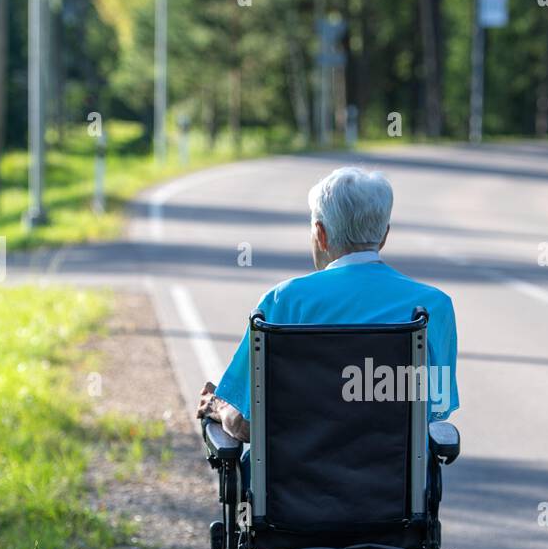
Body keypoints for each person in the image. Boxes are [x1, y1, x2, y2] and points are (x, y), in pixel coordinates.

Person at [195, 166, 458, 440]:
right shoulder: (433, 307)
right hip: (396, 480)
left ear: (320, 234)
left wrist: (219, 405)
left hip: (295, 480)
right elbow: (433, 407)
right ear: (384, 236)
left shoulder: (284, 302)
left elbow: (246, 423)